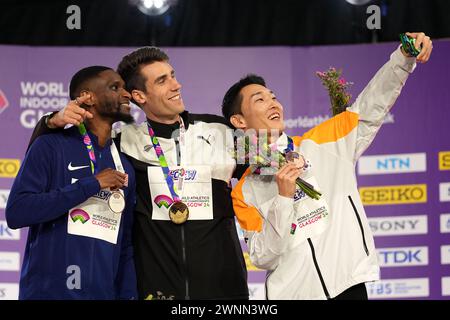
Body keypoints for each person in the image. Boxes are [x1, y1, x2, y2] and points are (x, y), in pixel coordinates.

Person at [222, 32, 432, 300]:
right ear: (239, 121)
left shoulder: (323, 143)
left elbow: (370, 108)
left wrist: (403, 58)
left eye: (273, 96)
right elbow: (263, 257)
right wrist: (283, 201)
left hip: (348, 286)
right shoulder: (244, 190)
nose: (273, 102)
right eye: (259, 100)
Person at [29, 48, 248, 300]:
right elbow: (48, 154)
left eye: (173, 75)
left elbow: (268, 162)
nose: (177, 85)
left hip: (223, 287)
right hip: (155, 289)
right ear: (139, 95)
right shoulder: (121, 142)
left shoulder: (219, 130)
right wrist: (49, 122)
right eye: (162, 80)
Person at [6, 66, 137, 300]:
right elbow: (17, 212)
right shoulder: (49, 146)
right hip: (48, 294)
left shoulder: (124, 165)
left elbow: (125, 244)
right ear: (88, 97)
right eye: (115, 87)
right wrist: (91, 184)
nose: (126, 94)